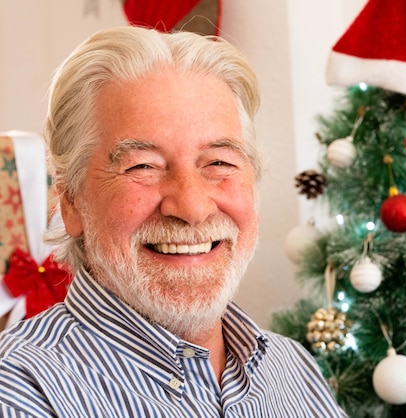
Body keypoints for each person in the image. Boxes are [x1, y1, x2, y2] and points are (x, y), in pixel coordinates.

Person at [0, 26, 346, 417]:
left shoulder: (293, 369)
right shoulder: (19, 389)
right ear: (71, 200)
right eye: (143, 166)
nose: (193, 206)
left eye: (219, 162)